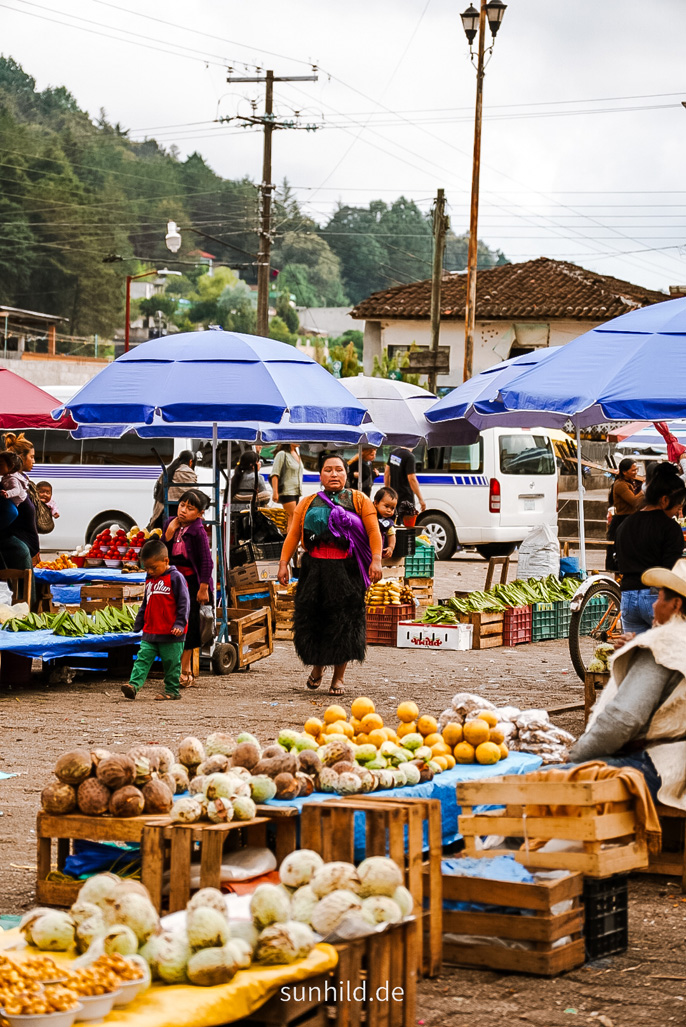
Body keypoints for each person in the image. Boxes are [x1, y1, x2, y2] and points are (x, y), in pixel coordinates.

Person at [569, 559, 686, 804]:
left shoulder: (663, 644)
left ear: (675, 604)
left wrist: (574, 755)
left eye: (659, 597)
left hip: (653, 766)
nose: (653, 605)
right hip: (676, 767)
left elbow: (622, 719)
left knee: (536, 782)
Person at [277, 451, 382, 696]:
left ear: (347, 473)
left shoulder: (359, 500)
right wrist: (283, 563)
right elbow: (293, 534)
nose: (334, 474)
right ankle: (317, 668)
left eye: (339, 469)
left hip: (347, 571)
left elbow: (374, 532)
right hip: (314, 570)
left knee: (344, 623)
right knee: (314, 620)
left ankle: (338, 677)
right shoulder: (308, 501)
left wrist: (376, 560)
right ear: (320, 475)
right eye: (328, 470)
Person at [615, 462, 686, 634]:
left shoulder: (625, 524)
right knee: (665, 655)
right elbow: (671, 570)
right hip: (657, 598)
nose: (678, 511)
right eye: (678, 506)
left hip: (628, 598)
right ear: (664, 500)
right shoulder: (670, 528)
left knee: (635, 657)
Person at [121, 537, 190, 702]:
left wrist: (180, 623)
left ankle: (172, 691)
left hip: (171, 632)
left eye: (153, 568)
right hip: (151, 630)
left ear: (166, 561)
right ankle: (133, 685)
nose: (150, 571)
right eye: (147, 568)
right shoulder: (150, 579)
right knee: (142, 658)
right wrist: (139, 622)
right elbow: (146, 602)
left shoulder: (176, 578)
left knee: (171, 663)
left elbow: (184, 603)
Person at [163, 490, 214, 688]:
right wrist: (169, 531)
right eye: (182, 505)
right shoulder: (170, 523)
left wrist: (203, 588)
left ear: (199, 514)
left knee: (188, 624)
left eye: (190, 508)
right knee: (170, 622)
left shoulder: (198, 531)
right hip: (171, 581)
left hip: (191, 583)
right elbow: (161, 550)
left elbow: (206, 562)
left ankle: (186, 669)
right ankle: (172, 667)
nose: (183, 511)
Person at [0, 433, 39, 604]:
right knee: (22, 557)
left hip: (25, 539)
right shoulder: (9, 481)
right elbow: (10, 513)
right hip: (16, 539)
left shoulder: (19, 479)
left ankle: (28, 607)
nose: (34, 461)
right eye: (31, 457)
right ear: (21, 458)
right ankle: (25, 607)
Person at [605, 458, 643, 571]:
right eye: (633, 470)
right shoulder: (620, 485)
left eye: (636, 469)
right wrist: (644, 490)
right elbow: (635, 501)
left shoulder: (631, 482)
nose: (636, 472)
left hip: (630, 519)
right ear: (624, 472)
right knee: (621, 550)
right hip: (623, 520)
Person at [149, 450, 198, 529]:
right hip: (179, 512)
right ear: (190, 461)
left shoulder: (169, 470)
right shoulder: (188, 472)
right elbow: (194, 494)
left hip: (162, 511)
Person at [384, 446, 425, 526]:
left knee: (395, 523)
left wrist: (388, 490)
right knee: (407, 526)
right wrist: (421, 499)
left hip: (394, 496)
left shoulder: (393, 453)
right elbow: (412, 479)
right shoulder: (409, 456)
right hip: (406, 497)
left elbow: (387, 473)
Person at [270, 444, 303, 531]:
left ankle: (291, 542)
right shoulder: (282, 454)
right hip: (287, 491)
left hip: (296, 491)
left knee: (293, 517)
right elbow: (275, 474)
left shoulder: (296, 453)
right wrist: (275, 492)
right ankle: (291, 543)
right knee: (292, 517)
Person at [374, 486, 398, 559]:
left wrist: (390, 547)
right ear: (376, 503)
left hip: (379, 551)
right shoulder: (369, 514)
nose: (389, 510)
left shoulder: (388, 523)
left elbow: (391, 535)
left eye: (392, 508)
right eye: (386, 506)